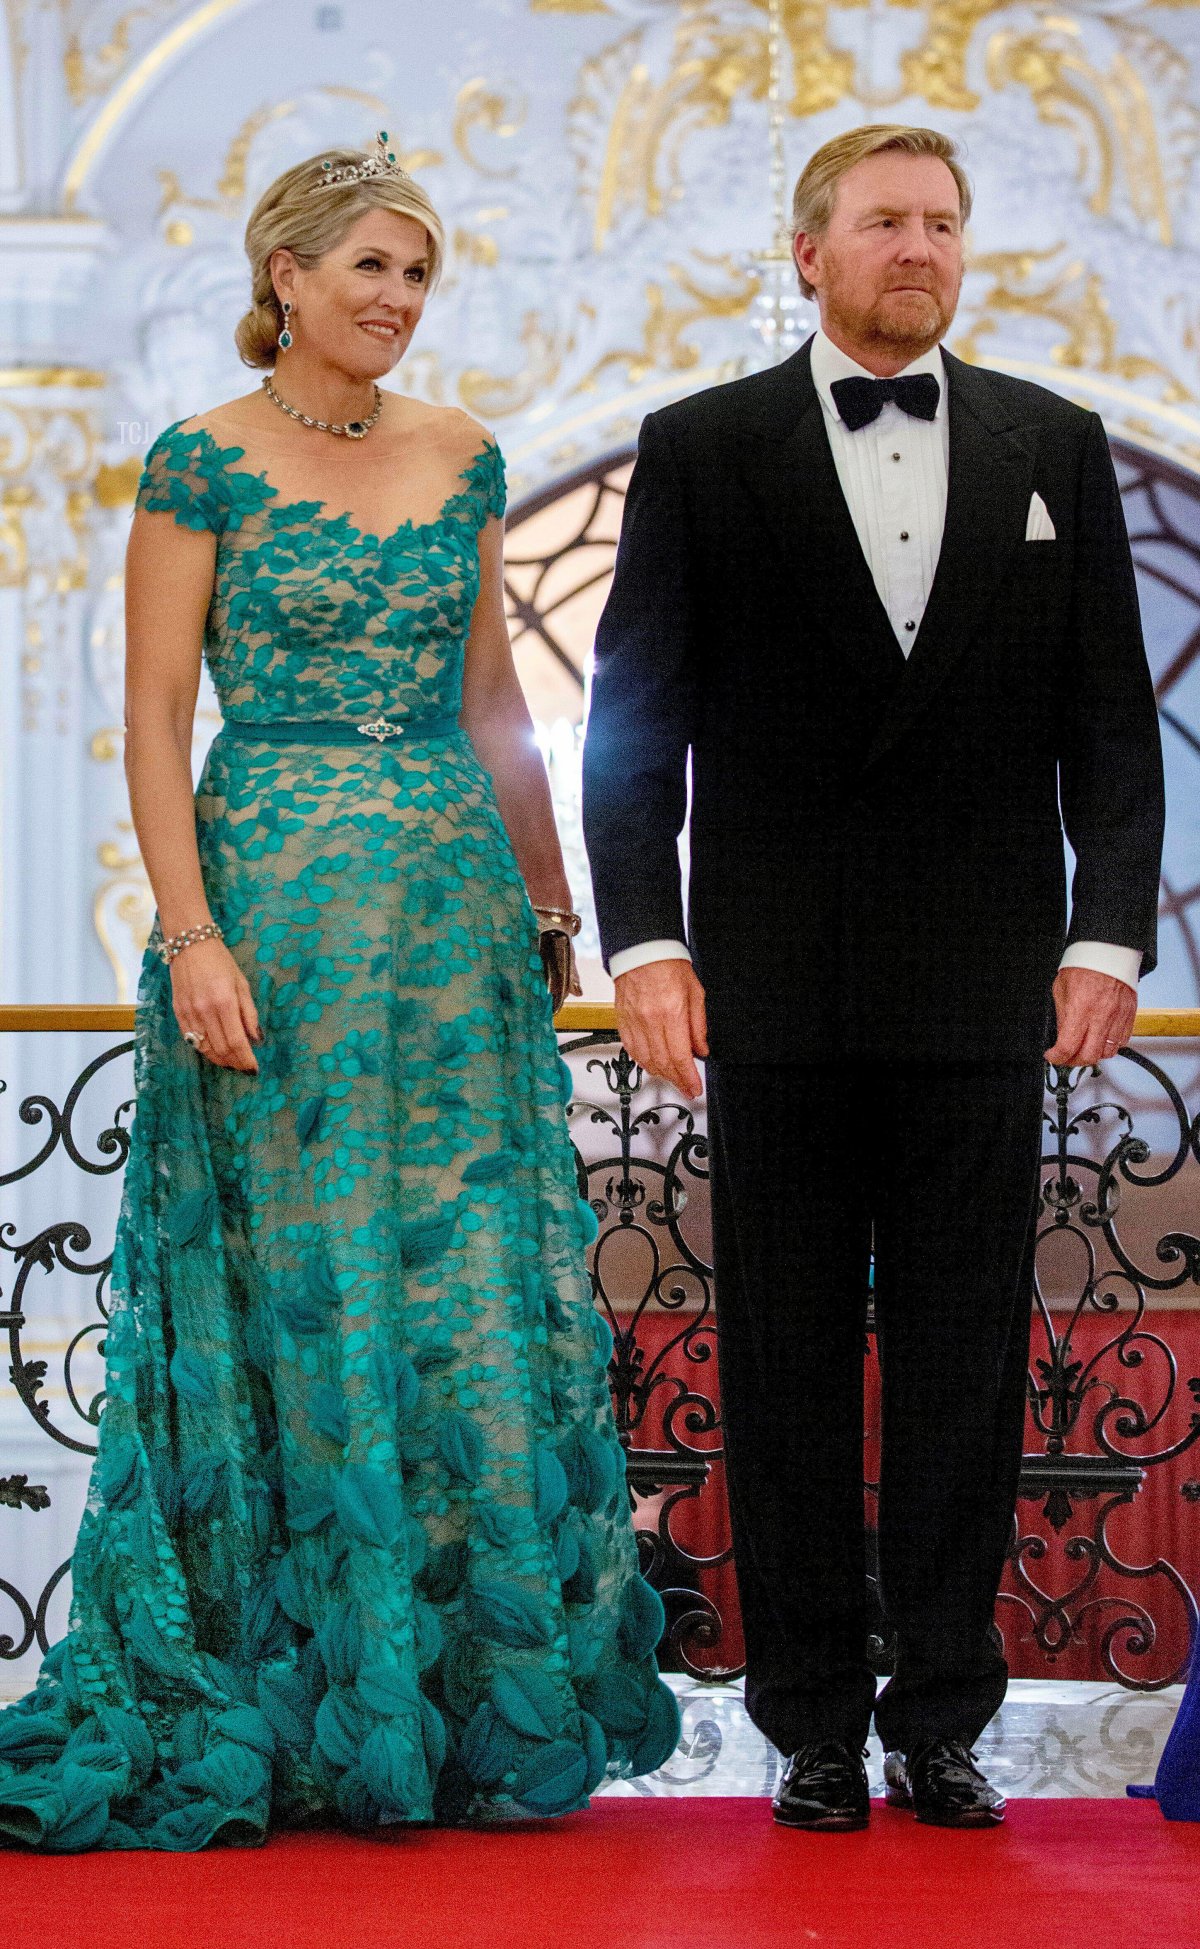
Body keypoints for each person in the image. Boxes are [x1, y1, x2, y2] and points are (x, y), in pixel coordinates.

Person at [0, 133, 679, 1853]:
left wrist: (550, 897)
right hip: (273, 912)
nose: (396, 297)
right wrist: (191, 931)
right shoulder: (196, 464)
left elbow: (494, 701)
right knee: (296, 1296)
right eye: (369, 265)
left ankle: (450, 1692)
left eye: (418, 271)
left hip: (452, 911)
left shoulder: (465, 456)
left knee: (453, 1288)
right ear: (284, 275)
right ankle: (295, 1673)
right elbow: (158, 718)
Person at [581, 123, 1164, 1832]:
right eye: (887, 221)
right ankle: (815, 1722)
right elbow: (635, 722)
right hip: (768, 986)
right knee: (776, 1359)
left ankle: (945, 1717)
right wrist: (648, 942)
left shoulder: (1056, 442)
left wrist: (1106, 935)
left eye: (944, 222)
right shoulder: (702, 445)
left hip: (988, 987)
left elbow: (1111, 730)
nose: (921, 245)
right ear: (810, 250)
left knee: (966, 1362)